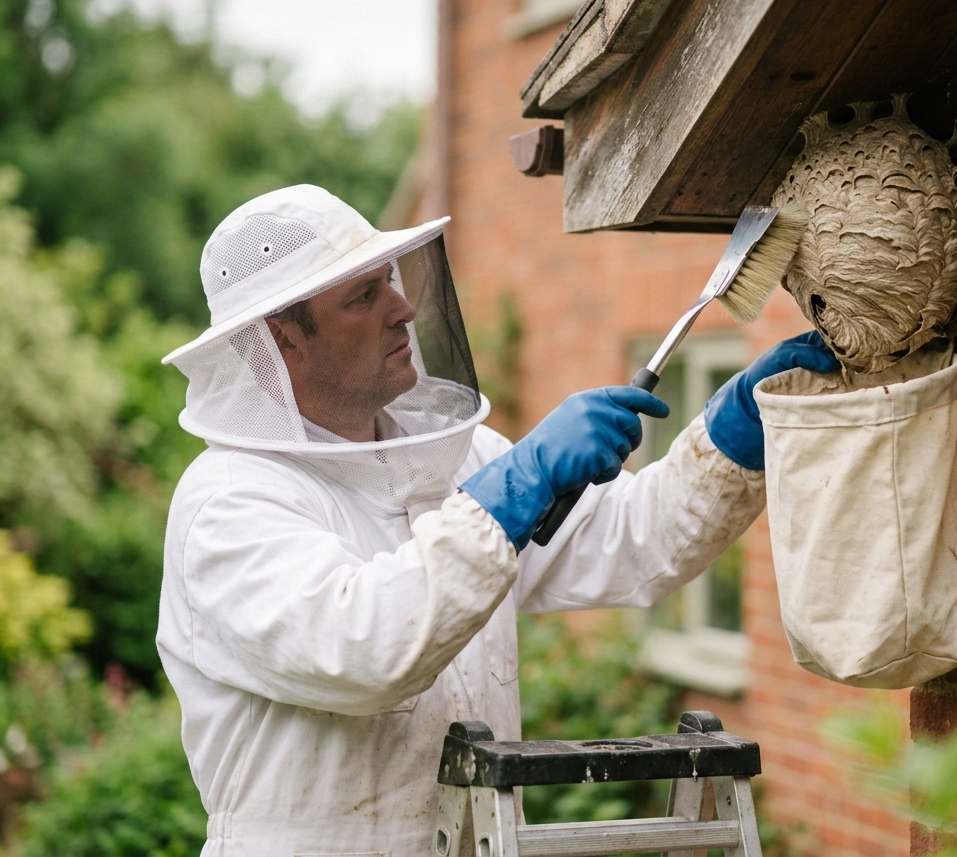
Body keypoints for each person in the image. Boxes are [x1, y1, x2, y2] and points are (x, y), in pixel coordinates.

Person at [157, 184, 837, 856]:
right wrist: (517, 486)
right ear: (283, 342)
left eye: (390, 281)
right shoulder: (229, 502)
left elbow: (633, 544)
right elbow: (363, 648)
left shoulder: (454, 458)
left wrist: (736, 433)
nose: (403, 308)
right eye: (363, 297)